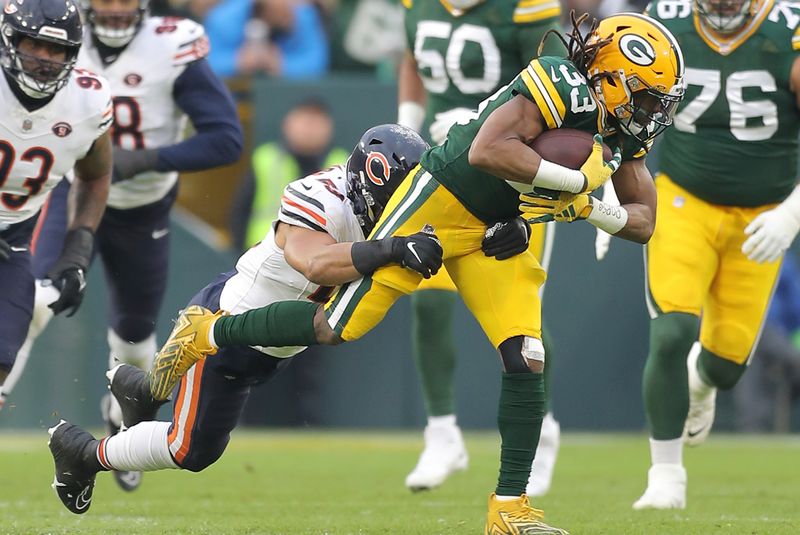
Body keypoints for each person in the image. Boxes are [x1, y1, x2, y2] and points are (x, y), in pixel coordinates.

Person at [66, 13, 684, 533]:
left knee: (527, 354)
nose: (652, 112)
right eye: (647, 95)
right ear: (609, 76)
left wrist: (600, 213)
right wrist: (575, 184)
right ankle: (209, 333)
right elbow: (486, 152)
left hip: (497, 231)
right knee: (340, 326)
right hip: (443, 202)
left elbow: (645, 222)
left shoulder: (618, 129)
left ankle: (509, 507)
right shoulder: (559, 82)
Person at [47, 124, 492, 515]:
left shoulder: (391, 208)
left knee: (195, 441)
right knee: (190, 448)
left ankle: (143, 391)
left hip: (271, 342)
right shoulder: (322, 196)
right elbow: (314, 263)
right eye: (395, 197)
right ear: (369, 181)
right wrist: (392, 249)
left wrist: (496, 232)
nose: (401, 210)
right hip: (225, 328)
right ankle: (82, 453)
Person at [3, 0, 243, 491]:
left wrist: (146, 159)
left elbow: (225, 139)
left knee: (134, 340)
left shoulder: (172, 45)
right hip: (67, 191)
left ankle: (125, 423)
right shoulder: (57, 32)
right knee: (36, 304)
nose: (114, 7)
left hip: (143, 207)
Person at [625, 0, 800, 510]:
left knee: (726, 366)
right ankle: (666, 476)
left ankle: (703, 382)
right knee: (673, 329)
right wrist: (610, 185)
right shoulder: (664, 21)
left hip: (762, 215)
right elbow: (615, 107)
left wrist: (791, 215)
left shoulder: (786, 33)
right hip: (683, 200)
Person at [396, 0, 563, 495]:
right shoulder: (416, 6)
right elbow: (413, 57)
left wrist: (480, 120)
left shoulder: (524, 9)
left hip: (514, 173)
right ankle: (442, 433)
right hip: (448, 168)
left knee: (520, 319)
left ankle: (543, 428)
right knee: (426, 295)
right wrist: (409, 120)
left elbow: (556, 82)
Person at [0, 0, 112, 406]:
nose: (45, 59)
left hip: (11, 240)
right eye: (34, 45)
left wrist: (78, 246)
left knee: (2, 359)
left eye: (57, 50)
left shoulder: (88, 101)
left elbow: (95, 174)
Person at [230, 98, 348, 252]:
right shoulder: (265, 158)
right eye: (304, 121)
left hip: (324, 258)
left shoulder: (343, 163)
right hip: (265, 254)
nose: (310, 129)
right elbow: (240, 211)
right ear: (287, 124)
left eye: (317, 122)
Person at [205, 0, 329, 78]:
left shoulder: (303, 14)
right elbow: (205, 64)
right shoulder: (223, 18)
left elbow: (317, 63)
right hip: (234, 96)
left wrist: (280, 65)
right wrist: (238, 61)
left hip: (286, 97)